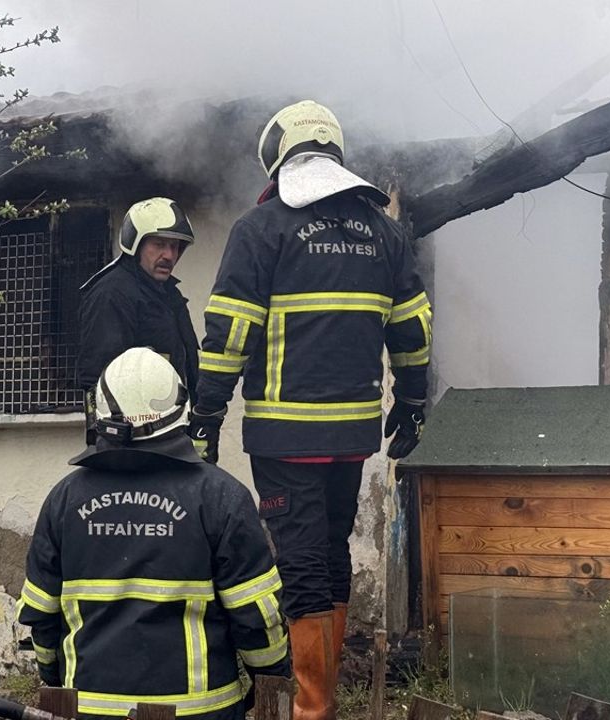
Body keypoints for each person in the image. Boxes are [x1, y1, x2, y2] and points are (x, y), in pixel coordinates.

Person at [188, 100, 433, 720]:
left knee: (298, 562)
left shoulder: (261, 229)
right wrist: (412, 403)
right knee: (331, 551)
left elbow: (229, 335)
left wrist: (206, 418)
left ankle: (311, 709)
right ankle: (321, 700)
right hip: (352, 434)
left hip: (282, 436)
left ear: (278, 152)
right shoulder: (385, 232)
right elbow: (413, 329)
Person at [18, 347, 289, 720]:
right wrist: (271, 676)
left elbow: (41, 615)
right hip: (198, 712)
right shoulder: (221, 498)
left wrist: (54, 679)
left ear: (101, 417)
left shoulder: (64, 499)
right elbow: (257, 617)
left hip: (88, 710)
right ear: (181, 410)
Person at [77, 197, 201, 443]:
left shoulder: (168, 294)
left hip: (172, 432)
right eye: (159, 244)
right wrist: (108, 440)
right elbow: (95, 378)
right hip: (135, 441)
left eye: (175, 246)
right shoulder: (111, 294)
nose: (169, 255)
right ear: (135, 243)